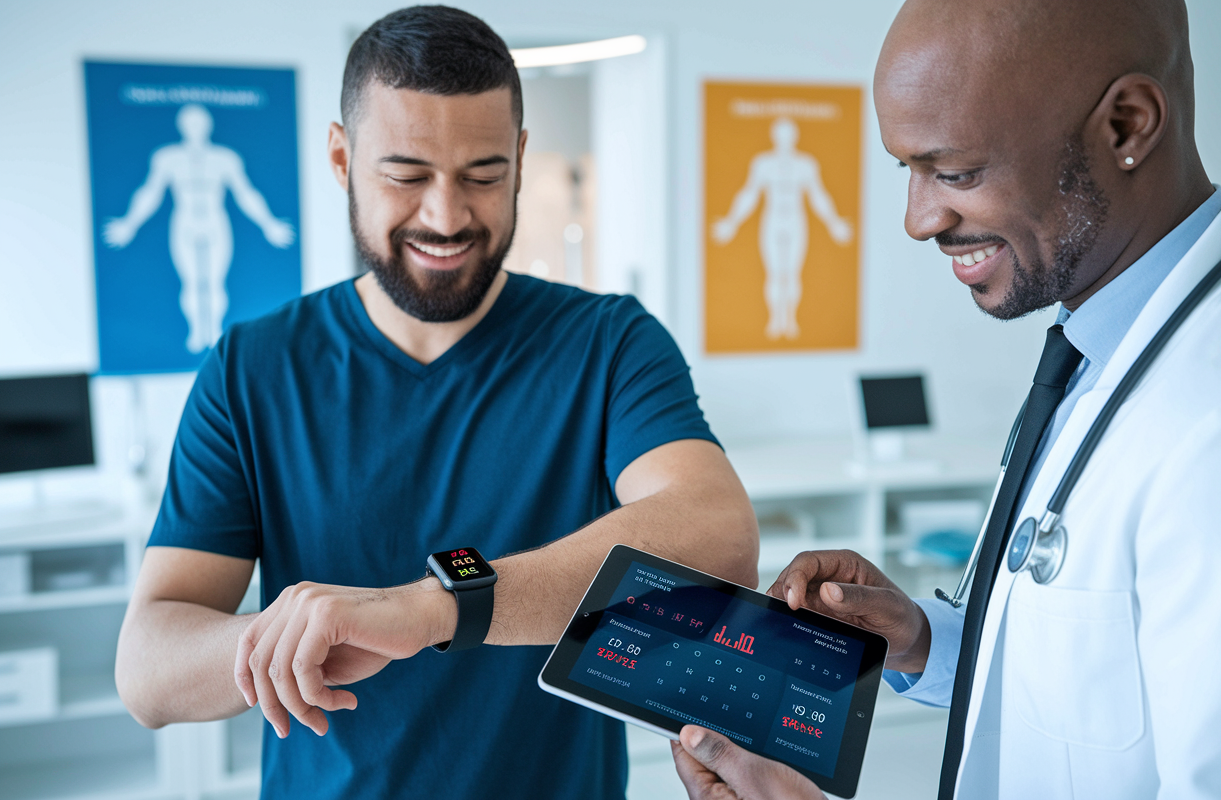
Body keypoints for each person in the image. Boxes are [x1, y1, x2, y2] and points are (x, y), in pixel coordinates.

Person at [114, 7, 759, 800]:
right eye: (408, 175)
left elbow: (719, 536)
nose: (447, 216)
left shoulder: (609, 342)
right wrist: (295, 638)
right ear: (341, 158)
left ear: (521, 161)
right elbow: (148, 668)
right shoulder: (252, 367)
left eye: (483, 175)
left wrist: (431, 610)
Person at [672, 0, 1221, 798]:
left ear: (1128, 125)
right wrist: (925, 640)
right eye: (908, 170)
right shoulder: (1097, 349)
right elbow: (1100, 700)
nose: (918, 219)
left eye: (954, 172)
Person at [104, 103, 296, 353]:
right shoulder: (167, 157)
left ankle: (215, 329)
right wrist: (129, 223)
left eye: (200, 122)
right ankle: (196, 331)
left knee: (215, 281)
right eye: (190, 123)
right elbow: (151, 192)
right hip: (184, 222)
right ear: (181, 126)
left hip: (216, 222)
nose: (196, 128)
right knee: (192, 282)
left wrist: (269, 223)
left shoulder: (225, 158)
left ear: (209, 125)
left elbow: (245, 192)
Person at [711, 116, 853, 340]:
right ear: (775, 136)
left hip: (796, 222)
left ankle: (790, 319)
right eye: (781, 135)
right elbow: (749, 194)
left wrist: (834, 223)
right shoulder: (763, 163)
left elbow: (818, 195)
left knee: (792, 273)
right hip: (773, 221)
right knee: (775, 273)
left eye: (789, 135)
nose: (785, 140)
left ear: (794, 137)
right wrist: (731, 222)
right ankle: (776, 319)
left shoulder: (805, 164)